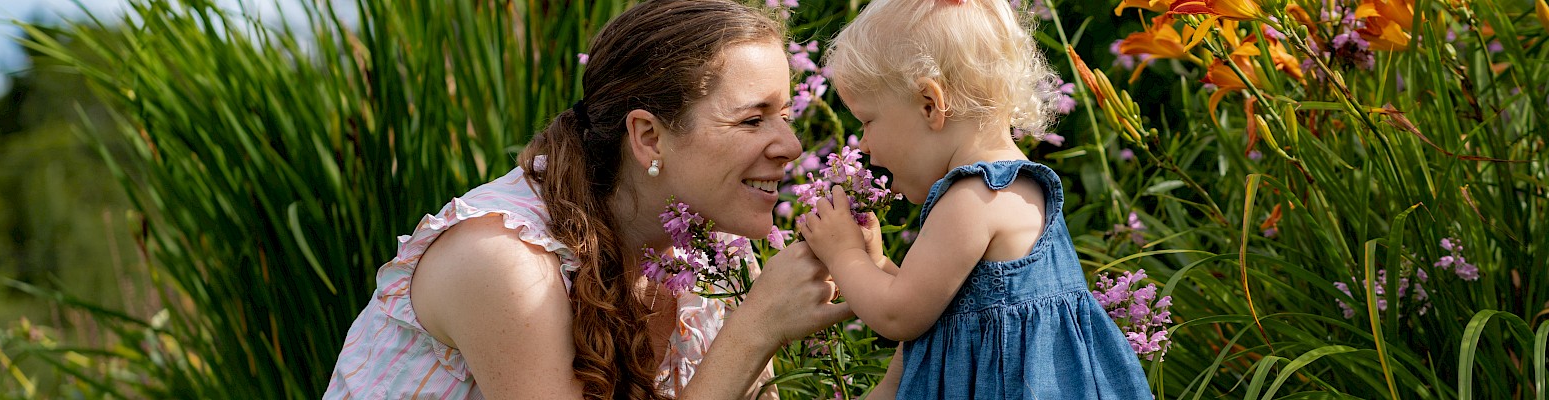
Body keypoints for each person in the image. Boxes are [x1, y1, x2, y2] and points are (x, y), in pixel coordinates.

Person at [325, 1, 852, 398]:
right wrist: (754, 330)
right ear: (648, 136)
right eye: (753, 119)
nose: (792, 147)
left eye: (785, 115)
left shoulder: (710, 250)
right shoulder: (505, 261)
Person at [796, 0, 1156, 398]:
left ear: (929, 105)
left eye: (867, 121)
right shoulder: (1014, 186)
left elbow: (898, 315)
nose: (863, 145)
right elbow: (947, 305)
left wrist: (842, 254)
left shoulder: (974, 199)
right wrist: (877, 265)